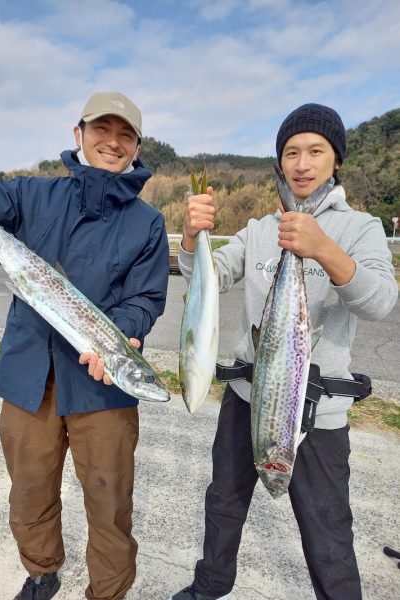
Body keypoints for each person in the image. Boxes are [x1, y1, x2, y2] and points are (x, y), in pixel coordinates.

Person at [169, 103, 398, 600]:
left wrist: (323, 249)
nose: (302, 162)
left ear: (336, 159)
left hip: (317, 412)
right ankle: (209, 587)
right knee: (223, 504)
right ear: (280, 163)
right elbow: (206, 277)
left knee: (328, 529)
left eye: (316, 150)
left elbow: (381, 302)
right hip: (248, 397)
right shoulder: (256, 229)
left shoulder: (361, 227)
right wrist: (191, 238)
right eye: (291, 152)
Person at [0, 91, 169, 600]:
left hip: (103, 387)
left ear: (137, 147)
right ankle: (42, 571)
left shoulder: (148, 223)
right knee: (29, 491)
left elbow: (146, 297)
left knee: (110, 501)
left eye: (125, 135)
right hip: (29, 379)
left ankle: (108, 592)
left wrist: (128, 332)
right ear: (79, 135)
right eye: (101, 130)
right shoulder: (30, 195)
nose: (112, 142)